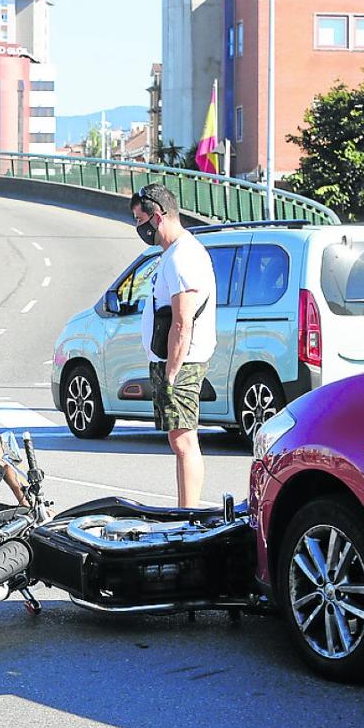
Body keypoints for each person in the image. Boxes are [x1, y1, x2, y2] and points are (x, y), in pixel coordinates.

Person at [131, 183, 217, 509]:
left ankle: (188, 511)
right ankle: (184, 508)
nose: (139, 228)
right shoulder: (172, 254)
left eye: (141, 220)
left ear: (157, 216)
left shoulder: (184, 256)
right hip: (173, 359)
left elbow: (183, 322)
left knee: (183, 440)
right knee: (178, 439)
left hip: (182, 361)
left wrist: (171, 372)